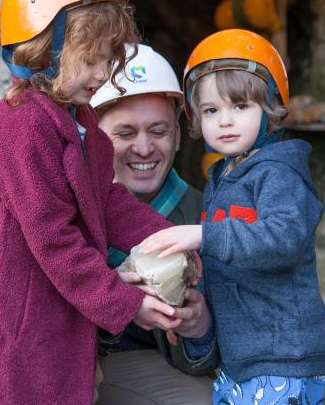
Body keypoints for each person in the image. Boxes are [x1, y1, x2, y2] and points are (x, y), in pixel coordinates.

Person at [0, 0, 185, 404]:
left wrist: (169, 238)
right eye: (90, 60)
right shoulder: (22, 124)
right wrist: (123, 302)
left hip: (42, 321)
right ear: (42, 51)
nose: (102, 73)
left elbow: (106, 201)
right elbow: (53, 238)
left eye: (109, 60)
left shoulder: (80, 118)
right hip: (6, 331)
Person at [140, 29, 325, 405]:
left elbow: (283, 239)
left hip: (281, 355)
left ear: (272, 106)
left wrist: (204, 236)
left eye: (240, 106)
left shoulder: (279, 173)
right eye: (212, 110)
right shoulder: (223, 179)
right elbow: (225, 263)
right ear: (196, 117)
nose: (225, 121)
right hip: (241, 358)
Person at [90, 43, 218, 405]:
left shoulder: (205, 216)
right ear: (94, 138)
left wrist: (200, 327)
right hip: (64, 358)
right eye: (125, 133)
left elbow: (222, 350)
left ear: (177, 136)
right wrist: (109, 300)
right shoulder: (68, 206)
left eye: (158, 131)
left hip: (146, 367)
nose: (144, 148)